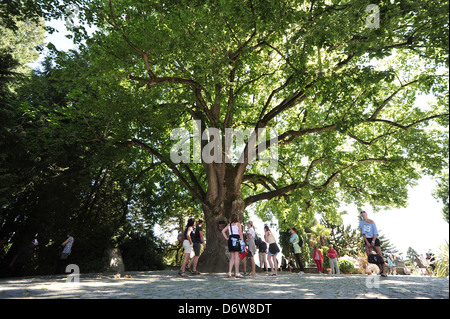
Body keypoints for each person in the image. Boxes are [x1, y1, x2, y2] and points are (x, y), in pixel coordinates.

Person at [359, 210, 387, 277]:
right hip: (367, 239)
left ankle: (384, 271)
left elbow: (375, 232)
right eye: (362, 215)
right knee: (369, 255)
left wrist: (373, 241)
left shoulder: (372, 222)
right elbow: (363, 233)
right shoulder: (361, 223)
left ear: (367, 214)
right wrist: (367, 242)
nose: (363, 216)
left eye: (364, 214)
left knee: (379, 254)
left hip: (374, 238)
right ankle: (380, 269)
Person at [222, 213, 245, 278]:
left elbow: (223, 231)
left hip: (230, 240)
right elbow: (240, 233)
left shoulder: (229, 225)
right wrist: (242, 242)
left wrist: (226, 238)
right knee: (237, 257)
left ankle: (229, 272)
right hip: (236, 240)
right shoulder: (238, 224)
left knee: (232, 257)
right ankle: (237, 273)